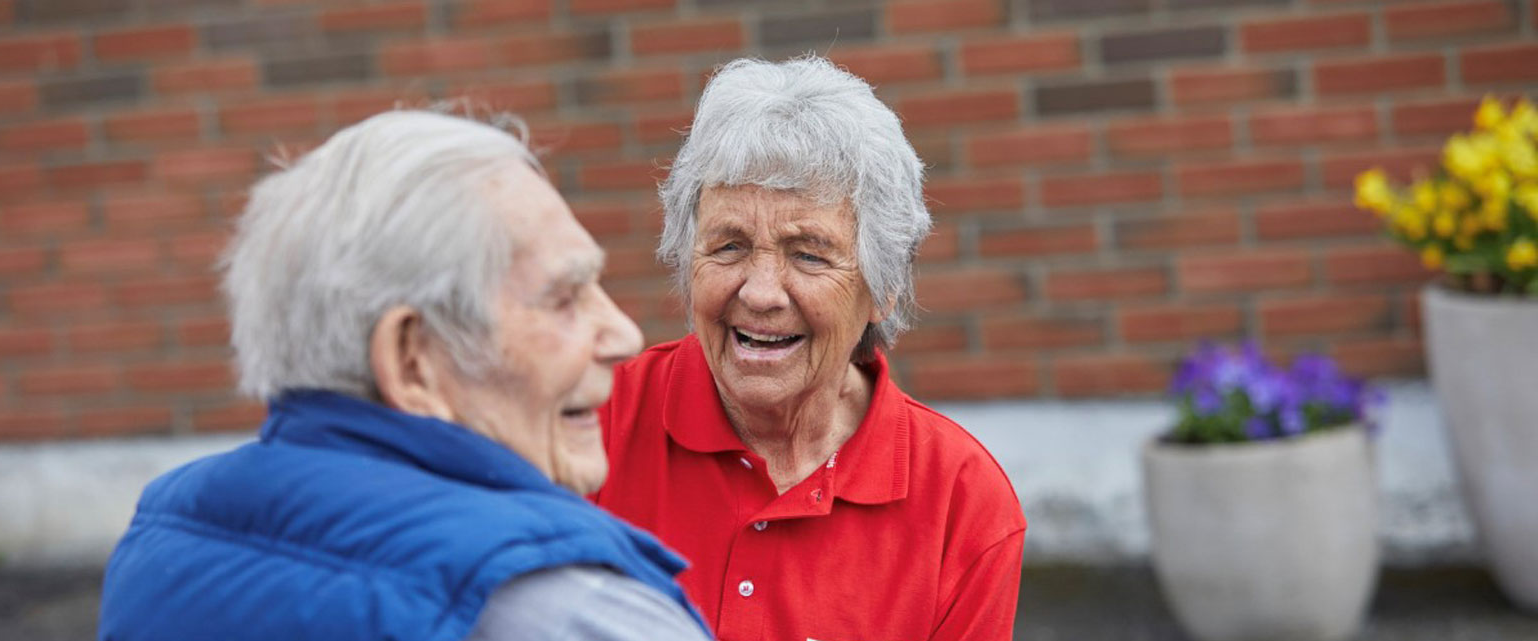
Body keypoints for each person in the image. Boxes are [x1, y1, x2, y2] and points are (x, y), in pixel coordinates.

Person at [98, 110, 710, 641]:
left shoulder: (167, 544)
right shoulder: (566, 613)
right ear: (413, 360)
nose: (623, 334)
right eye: (565, 298)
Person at [592, 56, 1028, 640]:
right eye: (728, 246)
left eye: (808, 254)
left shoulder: (960, 500)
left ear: (884, 287)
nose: (761, 291)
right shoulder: (591, 421)